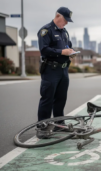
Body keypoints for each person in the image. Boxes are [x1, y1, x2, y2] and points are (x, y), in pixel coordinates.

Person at [36, 7, 76, 138]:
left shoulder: (64, 32)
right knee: (47, 98)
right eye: (65, 20)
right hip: (51, 70)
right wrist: (61, 52)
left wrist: (71, 52)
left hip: (63, 70)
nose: (66, 23)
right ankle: (43, 127)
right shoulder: (46, 30)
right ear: (58, 16)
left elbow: (67, 47)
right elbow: (44, 50)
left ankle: (60, 124)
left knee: (60, 99)